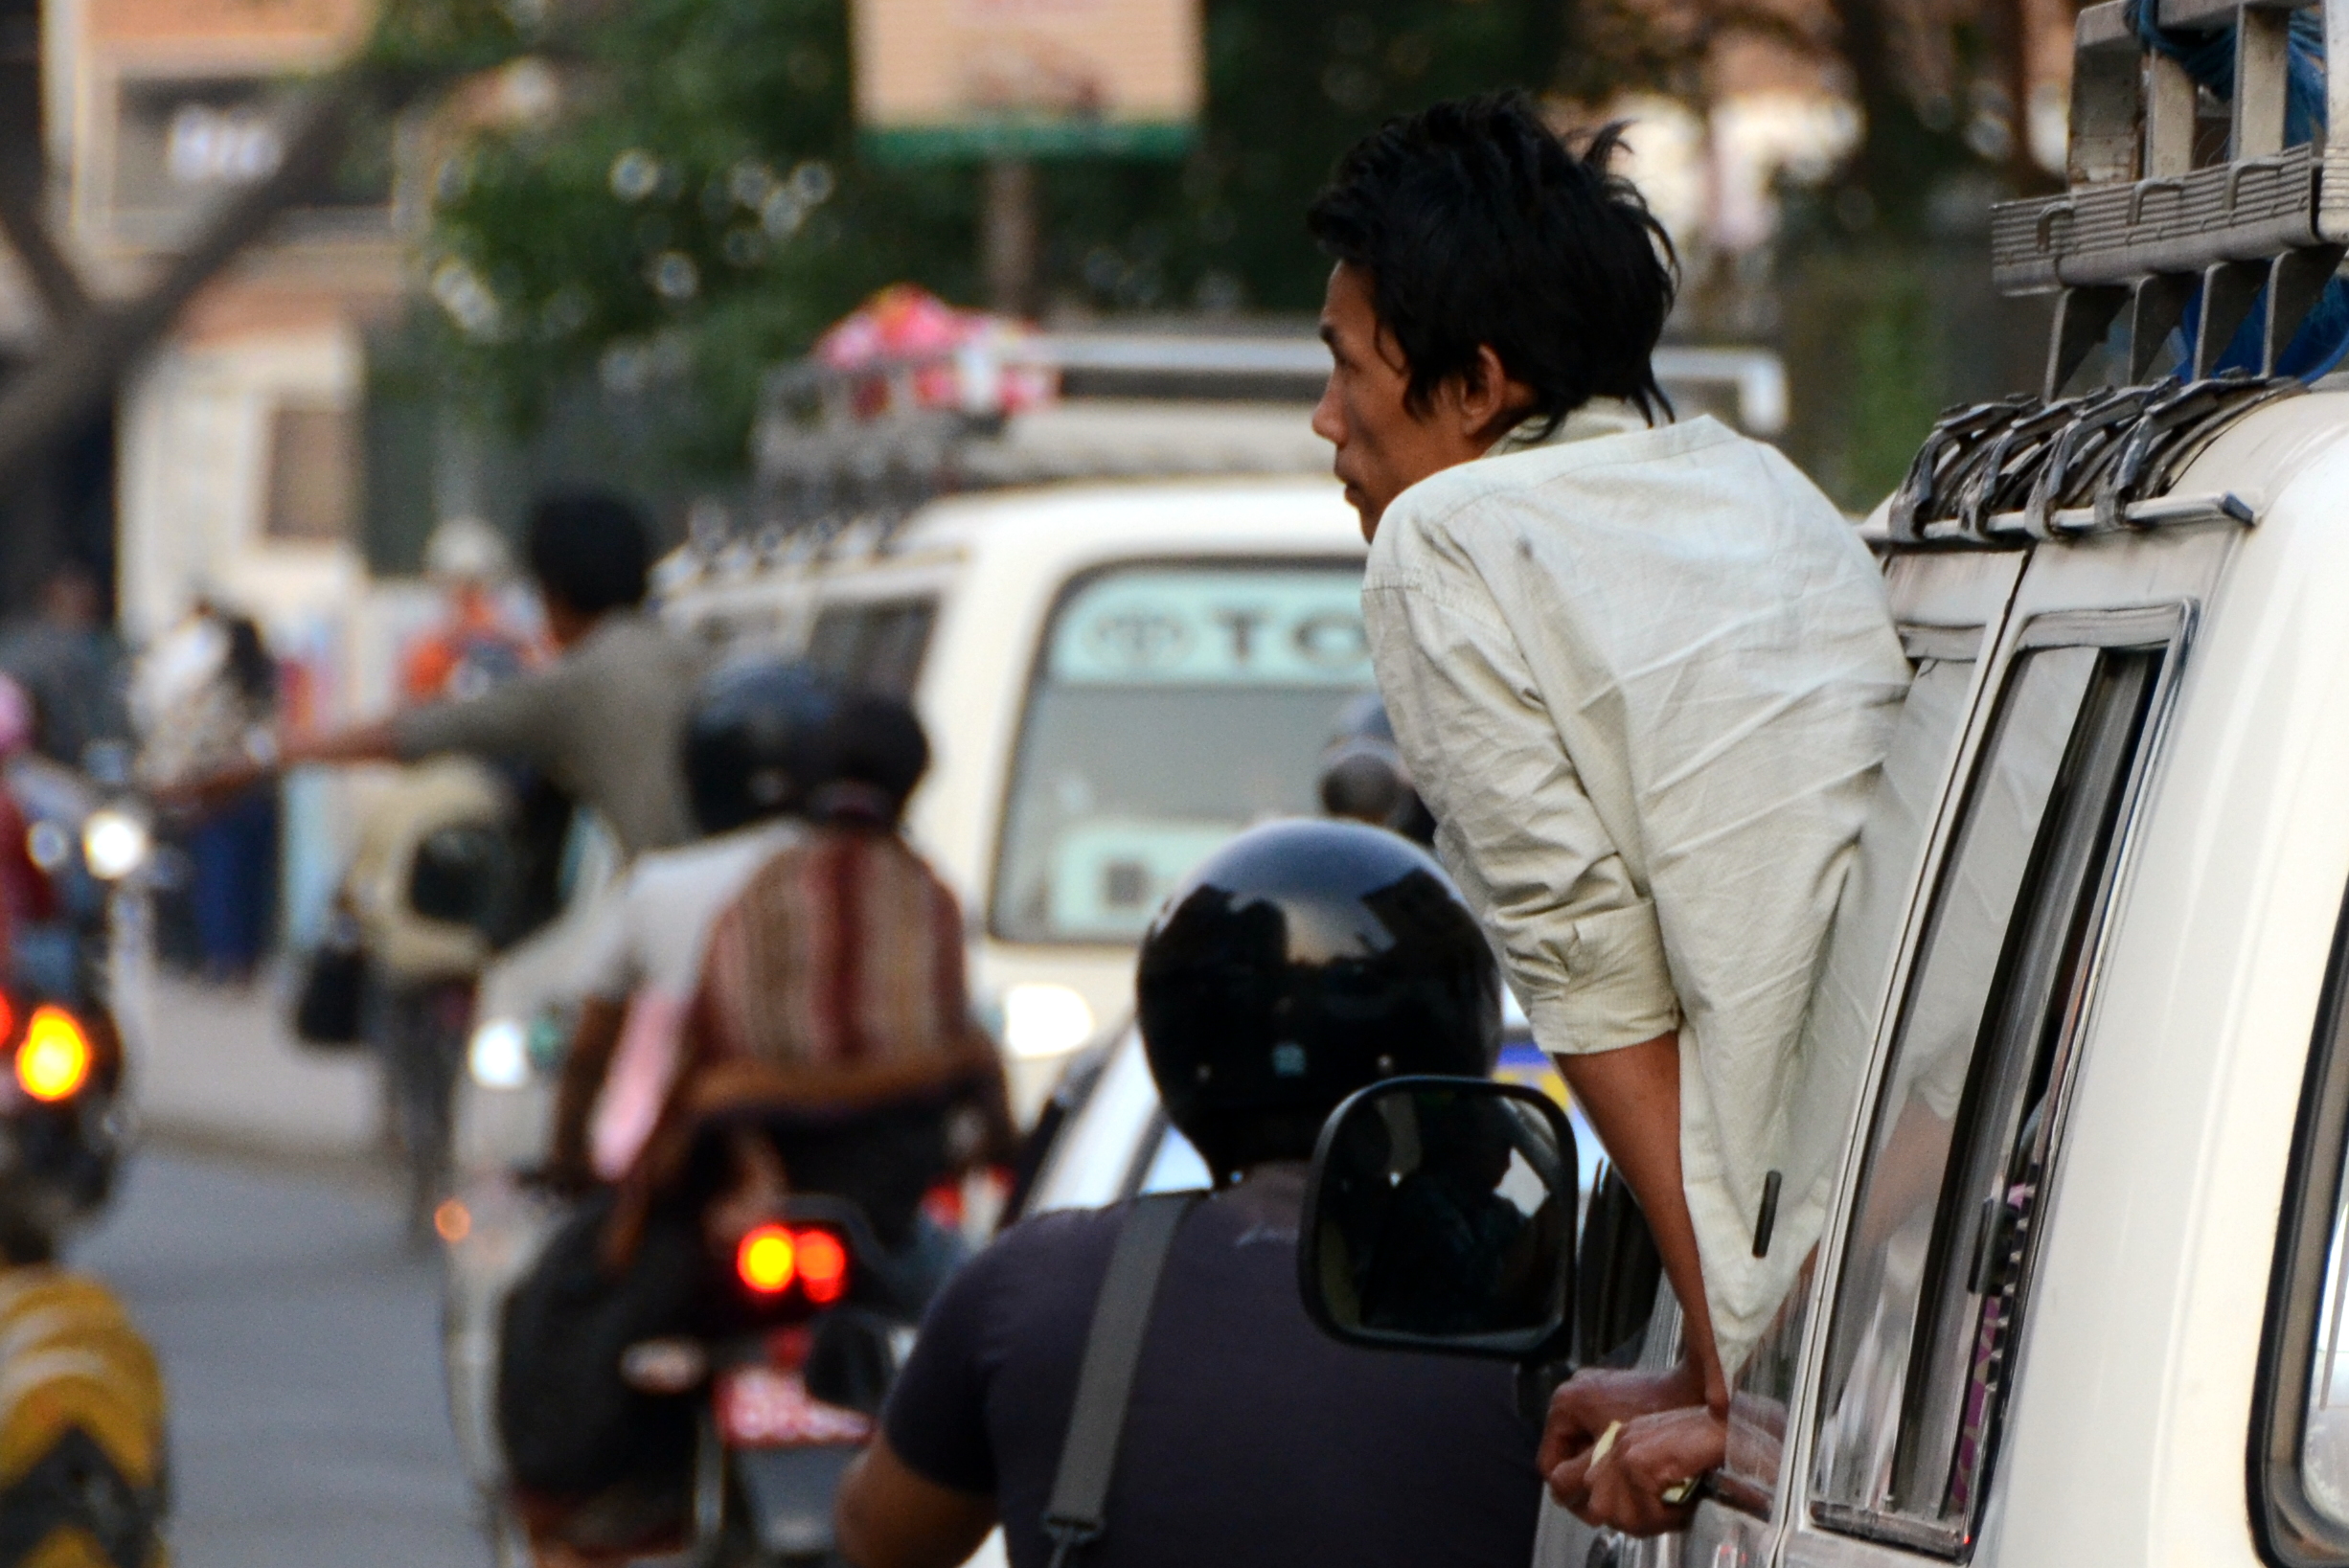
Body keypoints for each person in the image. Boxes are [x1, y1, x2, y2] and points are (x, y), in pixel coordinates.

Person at [1306, 93, 1912, 1530]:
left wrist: (1728, 1375)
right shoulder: (1755, 484)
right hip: (1916, 1172)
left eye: (1343, 367)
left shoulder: (1443, 542)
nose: (1325, 420)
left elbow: (1588, 967)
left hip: (1815, 1248)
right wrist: (1707, 1364)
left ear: (1475, 385)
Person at [832, 819, 1544, 1568]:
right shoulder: (1566, 1314)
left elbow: (878, 1540)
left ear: (1175, 1038)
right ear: (1460, 1050)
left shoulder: (1027, 1282)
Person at [188, 490, 701, 860]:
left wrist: (268, 756)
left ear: (552, 592)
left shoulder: (569, 681)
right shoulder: (691, 651)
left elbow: (414, 731)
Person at [539, 656, 838, 1192]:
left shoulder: (658, 884)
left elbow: (589, 1046)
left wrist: (567, 1157)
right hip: (843, 1155)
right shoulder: (874, 879)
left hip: (695, 1162)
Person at [399, 516, 543, 704]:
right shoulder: (431, 652)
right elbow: (416, 704)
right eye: (460, 584)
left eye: (475, 585)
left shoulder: (519, 645)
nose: (469, 596)